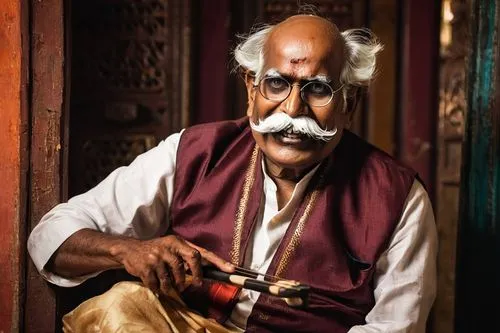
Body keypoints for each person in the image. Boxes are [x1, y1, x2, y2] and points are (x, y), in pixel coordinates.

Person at [28, 13, 437, 333]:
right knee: (119, 308)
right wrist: (127, 250)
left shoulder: (397, 197)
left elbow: (395, 326)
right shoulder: (195, 152)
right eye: (277, 84)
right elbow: (50, 236)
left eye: (318, 89)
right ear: (251, 88)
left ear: (350, 102)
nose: (292, 110)